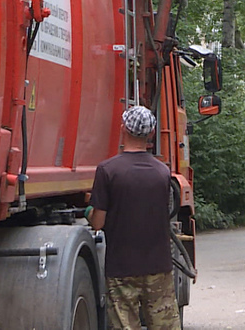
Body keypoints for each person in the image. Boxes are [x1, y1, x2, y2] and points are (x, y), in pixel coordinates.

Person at [86, 105, 181, 330]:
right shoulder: (162, 172)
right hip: (158, 266)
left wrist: (88, 210)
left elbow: (98, 223)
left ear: (123, 129)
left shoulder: (108, 170)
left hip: (122, 269)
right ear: (151, 133)